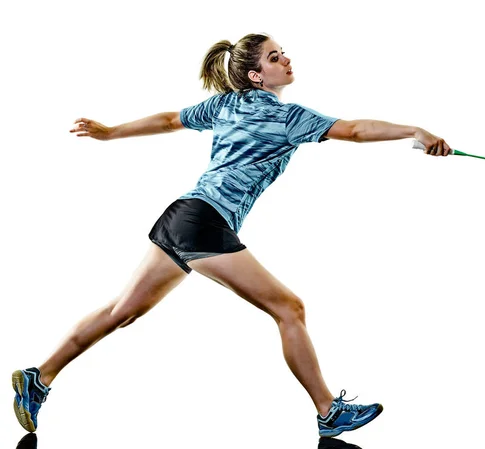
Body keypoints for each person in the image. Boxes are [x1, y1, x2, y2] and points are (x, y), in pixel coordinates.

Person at [12, 32, 451, 437]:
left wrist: (111, 133)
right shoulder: (287, 118)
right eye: (275, 57)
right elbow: (354, 130)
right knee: (289, 308)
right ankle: (327, 411)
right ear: (258, 75)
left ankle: (40, 376)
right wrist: (414, 130)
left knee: (121, 312)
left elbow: (169, 120)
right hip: (204, 221)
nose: (286, 59)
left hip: (182, 216)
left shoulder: (227, 104)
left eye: (283, 53)